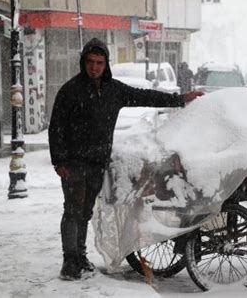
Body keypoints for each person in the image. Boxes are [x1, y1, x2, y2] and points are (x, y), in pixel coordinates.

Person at [48, 38, 203, 281]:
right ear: (83, 62)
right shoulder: (71, 91)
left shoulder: (114, 90)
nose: (94, 67)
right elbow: (56, 126)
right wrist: (59, 162)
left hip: (98, 163)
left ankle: (80, 256)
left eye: (99, 63)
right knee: (72, 211)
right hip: (75, 163)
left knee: (85, 212)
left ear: (106, 64)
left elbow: (146, 96)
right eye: (90, 62)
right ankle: (70, 261)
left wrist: (180, 99)